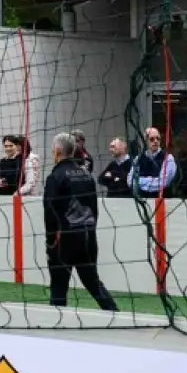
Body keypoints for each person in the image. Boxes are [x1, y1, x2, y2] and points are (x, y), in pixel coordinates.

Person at [42, 132, 117, 312]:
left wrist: (50, 241)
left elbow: (50, 211)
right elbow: (94, 207)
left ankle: (57, 322)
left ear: (57, 150)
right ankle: (113, 311)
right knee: (92, 281)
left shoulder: (56, 176)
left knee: (59, 285)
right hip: (87, 236)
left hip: (64, 238)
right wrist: (91, 230)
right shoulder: (85, 174)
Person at [133, 127, 176, 198]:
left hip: (161, 201)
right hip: (142, 200)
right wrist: (153, 180)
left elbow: (163, 182)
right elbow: (131, 181)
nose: (155, 141)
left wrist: (141, 181)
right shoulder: (138, 159)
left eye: (158, 138)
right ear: (145, 141)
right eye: (152, 139)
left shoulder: (168, 158)